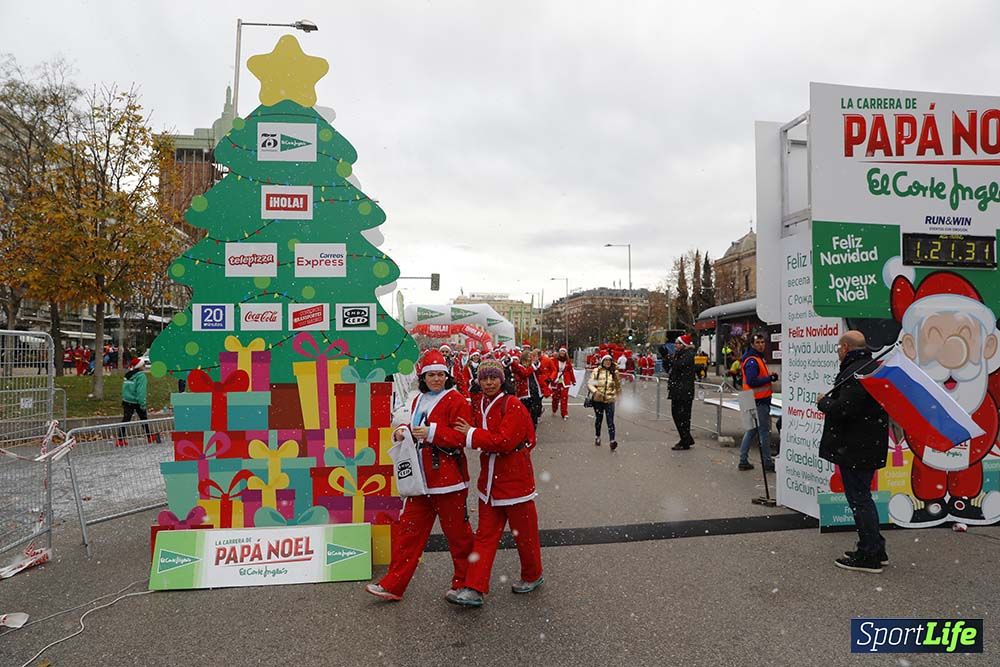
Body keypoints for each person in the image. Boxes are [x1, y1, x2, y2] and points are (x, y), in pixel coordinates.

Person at [366, 350, 475, 602]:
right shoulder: (417, 400)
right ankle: (393, 585)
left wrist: (432, 433)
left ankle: (465, 583)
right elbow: (417, 429)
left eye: (440, 374)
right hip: (420, 480)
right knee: (408, 534)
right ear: (422, 377)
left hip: (449, 481)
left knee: (459, 538)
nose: (436, 379)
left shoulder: (456, 400)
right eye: (431, 375)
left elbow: (462, 439)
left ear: (446, 376)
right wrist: (403, 431)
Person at [448, 359, 543, 606]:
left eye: (493, 378)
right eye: (484, 378)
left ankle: (533, 575)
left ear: (502, 380)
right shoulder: (481, 403)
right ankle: (474, 588)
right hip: (489, 484)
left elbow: (504, 442)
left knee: (526, 536)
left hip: (515, 484)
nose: (489, 382)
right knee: (485, 537)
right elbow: (478, 434)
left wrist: (472, 434)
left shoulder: (512, 405)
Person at [818, 331, 889, 573]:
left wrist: (823, 402)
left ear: (846, 347)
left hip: (855, 447)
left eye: (839, 347)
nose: (838, 351)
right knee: (863, 498)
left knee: (859, 500)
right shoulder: (872, 367)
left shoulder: (854, 372)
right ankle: (876, 547)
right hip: (867, 444)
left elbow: (845, 408)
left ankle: (869, 554)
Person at [737, 332, 777, 472]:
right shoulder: (752, 360)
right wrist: (769, 379)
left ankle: (743, 460)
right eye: (758, 342)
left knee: (752, 430)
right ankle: (767, 462)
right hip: (758, 401)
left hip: (753, 399)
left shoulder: (753, 358)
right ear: (752, 344)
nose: (761, 345)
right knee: (764, 432)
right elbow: (752, 381)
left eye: (762, 342)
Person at [116, 357, 156, 446]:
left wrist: (125, 398)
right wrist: (142, 403)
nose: (145, 366)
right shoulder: (141, 376)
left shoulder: (128, 375)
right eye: (143, 365)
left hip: (127, 401)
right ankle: (149, 436)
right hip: (137, 401)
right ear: (140, 366)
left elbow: (125, 388)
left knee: (126, 419)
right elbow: (141, 391)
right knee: (143, 419)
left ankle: (120, 439)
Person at [668, 334, 697, 451]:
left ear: (684, 345)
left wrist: (670, 358)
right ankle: (686, 437)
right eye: (676, 343)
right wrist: (667, 358)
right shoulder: (678, 355)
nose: (676, 345)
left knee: (682, 416)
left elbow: (680, 366)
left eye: (678, 343)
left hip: (684, 391)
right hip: (678, 389)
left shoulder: (688, 355)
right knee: (677, 414)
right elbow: (672, 368)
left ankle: (685, 439)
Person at [588, 353, 622, 450]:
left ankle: (612, 441)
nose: (607, 362)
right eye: (606, 360)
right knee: (599, 419)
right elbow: (590, 384)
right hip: (598, 400)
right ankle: (597, 436)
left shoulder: (614, 372)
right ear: (602, 362)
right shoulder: (597, 371)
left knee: (610, 421)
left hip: (610, 400)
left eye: (609, 360)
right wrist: (595, 392)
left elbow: (618, 386)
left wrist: (619, 397)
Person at [549, 346, 576, 420]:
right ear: (559, 352)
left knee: (564, 398)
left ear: (565, 353)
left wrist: (573, 380)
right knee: (555, 397)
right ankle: (554, 409)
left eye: (564, 351)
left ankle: (564, 413)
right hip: (556, 380)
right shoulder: (554, 360)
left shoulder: (567, 361)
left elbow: (571, 371)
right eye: (561, 351)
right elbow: (551, 369)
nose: (562, 352)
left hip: (565, 381)